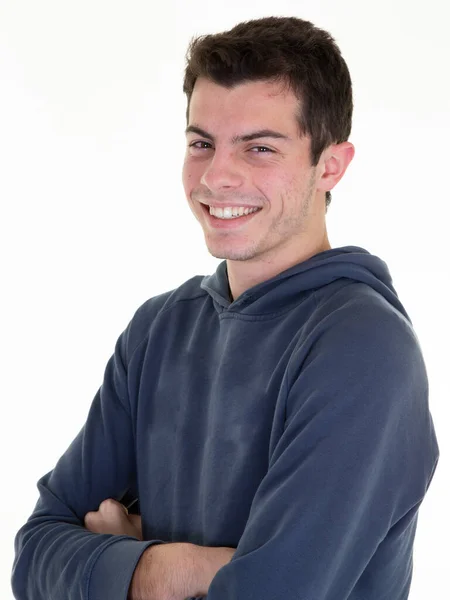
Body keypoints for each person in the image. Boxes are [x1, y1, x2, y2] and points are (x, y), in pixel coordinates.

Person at [12, 15, 439, 600]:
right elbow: (34, 553)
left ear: (330, 165)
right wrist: (176, 567)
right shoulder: (159, 328)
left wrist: (119, 566)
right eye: (200, 144)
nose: (217, 176)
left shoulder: (362, 347)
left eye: (259, 148)